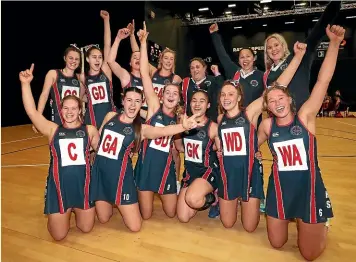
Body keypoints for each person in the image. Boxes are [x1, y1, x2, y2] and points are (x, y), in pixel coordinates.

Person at [257, 24, 343, 261]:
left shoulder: (305, 116)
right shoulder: (267, 125)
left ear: (289, 98)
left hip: (308, 188)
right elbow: (251, 146)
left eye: (280, 97)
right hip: (279, 189)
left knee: (309, 254)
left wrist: (334, 44)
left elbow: (323, 81)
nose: (277, 102)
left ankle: (322, 223)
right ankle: (294, 218)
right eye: (271, 100)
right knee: (276, 243)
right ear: (268, 106)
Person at [217, 41, 307, 231]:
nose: (226, 97)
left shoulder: (249, 112)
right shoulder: (219, 119)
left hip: (249, 173)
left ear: (239, 97)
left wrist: (297, 57)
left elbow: (278, 85)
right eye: (223, 94)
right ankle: (221, 196)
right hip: (229, 173)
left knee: (250, 227)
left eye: (231, 94)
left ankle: (253, 199)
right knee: (227, 223)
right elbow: (216, 142)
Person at [89, 85, 202, 232]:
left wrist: (182, 126)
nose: (132, 104)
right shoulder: (110, 116)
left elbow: (162, 131)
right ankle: (114, 199)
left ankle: (125, 198)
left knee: (135, 227)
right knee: (104, 219)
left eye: (137, 101)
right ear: (123, 101)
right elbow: (98, 142)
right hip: (101, 174)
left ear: (142, 103)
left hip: (121, 177)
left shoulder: (141, 129)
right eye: (129, 100)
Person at [19, 63, 100, 241]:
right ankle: (60, 211)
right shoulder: (52, 130)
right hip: (59, 187)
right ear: (60, 110)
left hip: (83, 187)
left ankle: (73, 210)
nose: (69, 112)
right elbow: (32, 112)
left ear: (80, 110)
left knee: (85, 228)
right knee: (58, 235)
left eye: (73, 108)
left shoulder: (90, 130)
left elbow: (99, 155)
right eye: (66, 108)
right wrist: (25, 84)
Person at [134, 22, 182, 220]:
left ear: (179, 99)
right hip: (146, 167)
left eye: (175, 93)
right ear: (162, 96)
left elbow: (180, 147)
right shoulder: (154, 106)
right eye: (167, 92)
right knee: (146, 216)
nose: (170, 95)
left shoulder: (180, 118)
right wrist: (143, 43)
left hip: (165, 168)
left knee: (171, 214)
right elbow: (144, 73)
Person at [263, 0, 341, 111]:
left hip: (302, 118)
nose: (273, 49)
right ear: (267, 53)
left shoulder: (298, 57)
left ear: (283, 46)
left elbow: (318, 31)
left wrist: (335, 4)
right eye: (269, 48)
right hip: (280, 122)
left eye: (276, 45)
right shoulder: (268, 75)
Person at [174, 89, 221, 222]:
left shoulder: (213, 127)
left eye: (202, 101)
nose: (197, 104)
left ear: (208, 105)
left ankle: (214, 197)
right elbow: (180, 148)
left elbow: (220, 149)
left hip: (208, 171)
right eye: (194, 101)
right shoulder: (184, 124)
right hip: (190, 173)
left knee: (192, 199)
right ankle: (199, 193)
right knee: (183, 217)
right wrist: (179, 127)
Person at [33, 44, 83, 133]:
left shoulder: (80, 78)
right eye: (71, 58)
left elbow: (83, 98)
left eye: (77, 59)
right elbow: (44, 96)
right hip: (57, 120)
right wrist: (38, 118)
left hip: (75, 121)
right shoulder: (53, 74)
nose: (73, 61)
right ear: (65, 58)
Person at [82, 10, 117, 129]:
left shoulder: (106, 71)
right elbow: (81, 96)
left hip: (109, 117)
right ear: (87, 59)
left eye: (100, 57)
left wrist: (106, 21)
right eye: (94, 57)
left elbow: (107, 45)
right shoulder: (84, 77)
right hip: (91, 119)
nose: (97, 60)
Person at [182, 58, 224, 123]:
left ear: (204, 68)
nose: (195, 70)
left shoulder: (214, 80)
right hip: (190, 124)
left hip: (210, 123)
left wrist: (217, 73)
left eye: (197, 67)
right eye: (192, 68)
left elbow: (223, 91)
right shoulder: (185, 83)